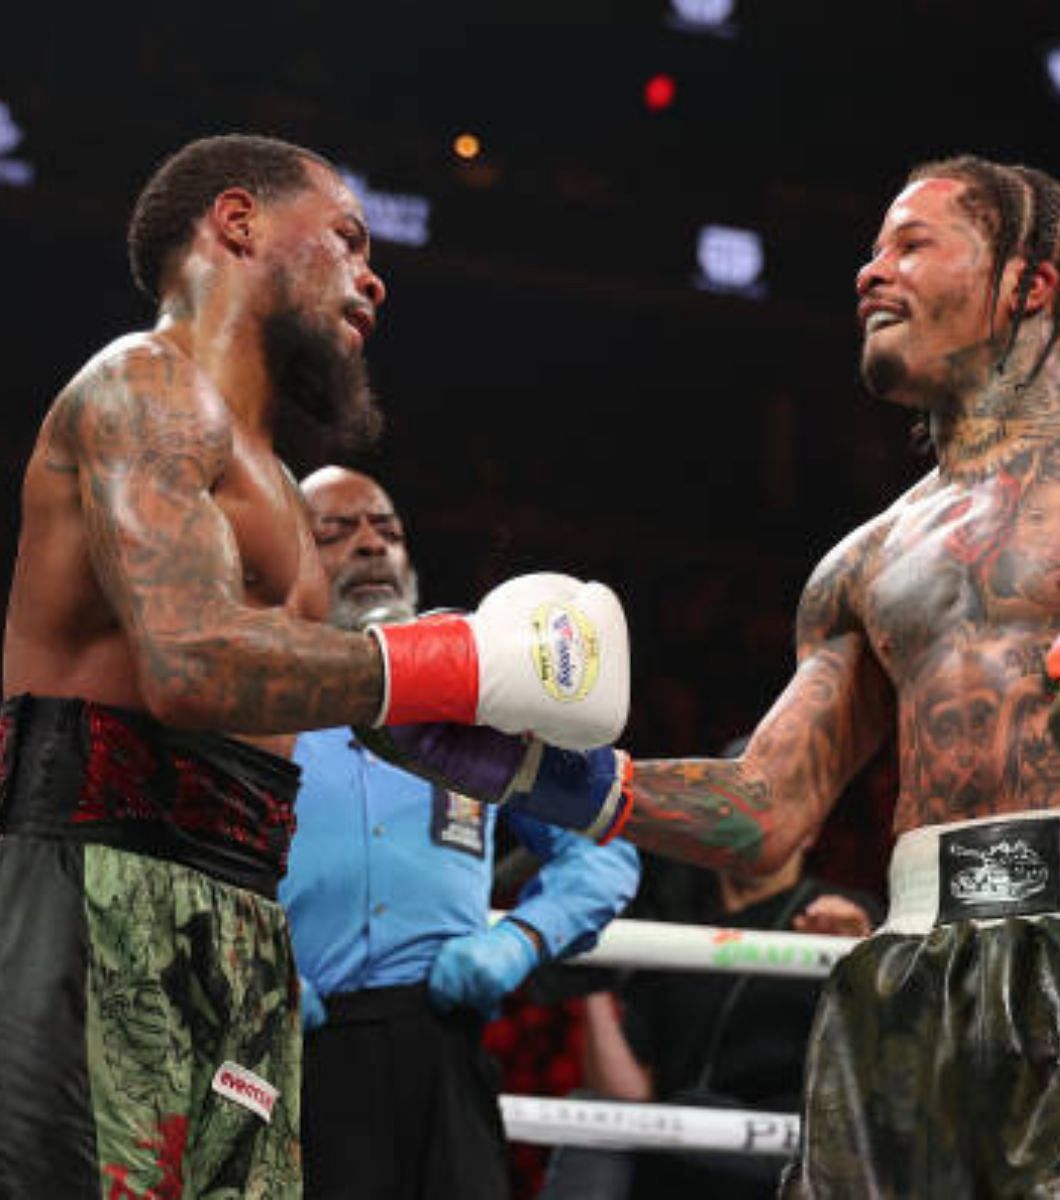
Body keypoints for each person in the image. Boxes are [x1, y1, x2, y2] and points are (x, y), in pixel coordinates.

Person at [385, 154, 1060, 1195]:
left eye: (912, 243)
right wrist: (533, 773)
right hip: (909, 977)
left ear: (1028, 284)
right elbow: (763, 811)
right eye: (872, 249)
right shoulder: (861, 562)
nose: (869, 272)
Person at [0, 134, 626, 1198]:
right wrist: (460, 655)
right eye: (346, 236)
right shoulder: (140, 387)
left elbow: (370, 710)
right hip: (93, 886)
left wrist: (583, 784)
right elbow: (191, 663)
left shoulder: (287, 498)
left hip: (245, 925)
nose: (372, 273)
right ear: (236, 223)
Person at [283, 465, 642, 1200]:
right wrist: (255, 972)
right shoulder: (255, 707)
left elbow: (601, 847)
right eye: (336, 530)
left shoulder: (472, 704)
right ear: (288, 555)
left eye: (388, 530)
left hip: (441, 1037)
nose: (371, 546)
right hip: (291, 1041)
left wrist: (522, 939)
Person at [538, 824, 878, 1200]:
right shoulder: (672, 931)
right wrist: (591, 969)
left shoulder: (838, 920)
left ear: (808, 830)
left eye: (765, 813)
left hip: (779, 1149)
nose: (748, 831)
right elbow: (626, 1093)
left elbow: (885, 1062)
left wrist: (859, 959)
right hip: (674, 1142)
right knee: (591, 1119)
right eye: (734, 814)